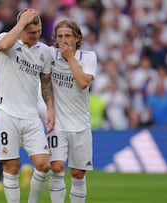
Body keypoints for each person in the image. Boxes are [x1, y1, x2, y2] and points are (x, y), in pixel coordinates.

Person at [0, 8, 55, 203]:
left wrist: (51, 109)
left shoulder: (44, 51)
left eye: (39, 31)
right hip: (7, 113)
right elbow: (2, 45)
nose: (37, 36)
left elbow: (46, 83)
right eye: (31, 33)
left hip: (30, 115)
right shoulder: (6, 39)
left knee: (44, 164)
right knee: (11, 167)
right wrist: (21, 23)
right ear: (21, 29)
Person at [48, 20, 97, 203]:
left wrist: (70, 58)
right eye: (59, 36)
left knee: (77, 173)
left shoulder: (88, 57)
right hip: (57, 124)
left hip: (81, 124)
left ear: (77, 38)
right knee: (57, 167)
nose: (63, 40)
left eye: (68, 36)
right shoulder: (51, 55)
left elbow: (83, 83)